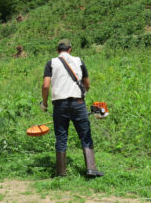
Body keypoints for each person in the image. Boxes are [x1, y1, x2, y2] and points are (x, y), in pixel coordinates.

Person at [40, 38, 104, 177]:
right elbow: (87, 84)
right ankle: (91, 169)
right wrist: (81, 96)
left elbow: (45, 86)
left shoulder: (51, 63)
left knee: (61, 137)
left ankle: (61, 173)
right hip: (78, 103)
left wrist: (44, 104)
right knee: (85, 134)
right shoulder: (79, 61)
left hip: (59, 105)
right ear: (70, 49)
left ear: (58, 50)